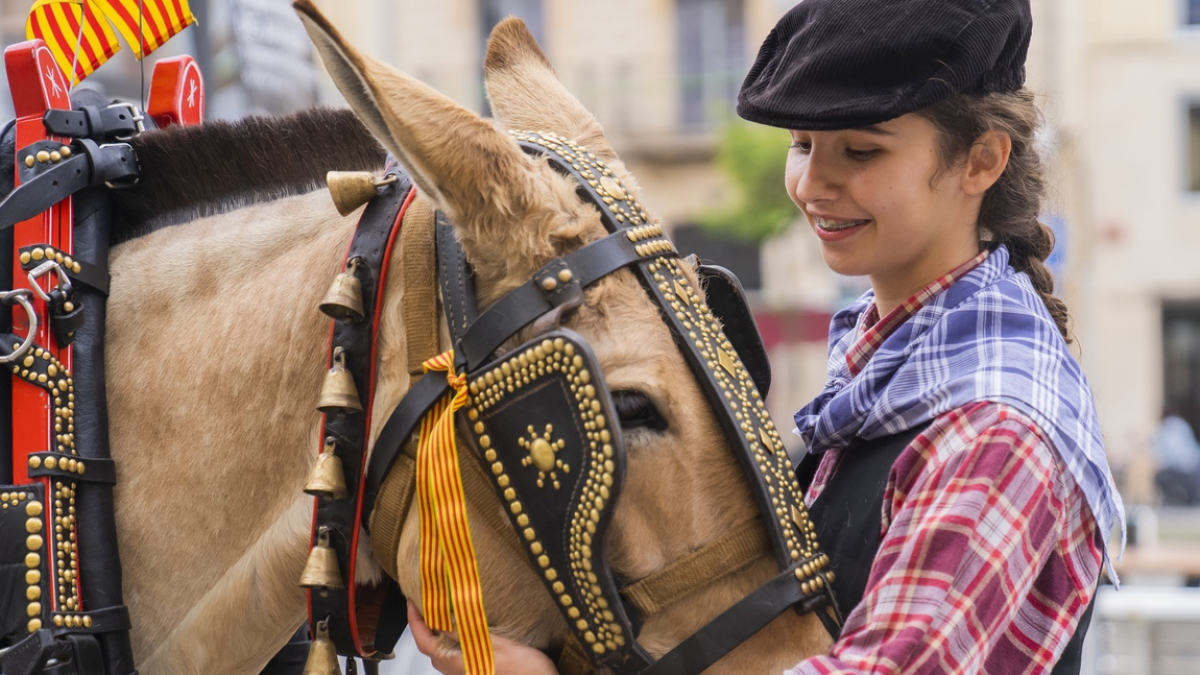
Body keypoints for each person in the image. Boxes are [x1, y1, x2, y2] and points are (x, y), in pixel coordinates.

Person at [410, 0, 1125, 673]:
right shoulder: (898, 371)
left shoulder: (994, 428)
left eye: (861, 152)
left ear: (982, 161)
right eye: (801, 142)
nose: (812, 183)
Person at [1152, 410, 1200, 506]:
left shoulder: (1166, 428)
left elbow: (1163, 454)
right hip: (1192, 465)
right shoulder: (1181, 424)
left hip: (1177, 467)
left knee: (1160, 477)